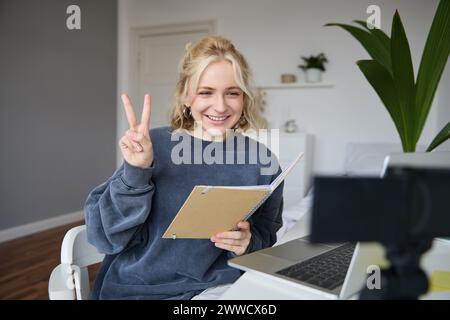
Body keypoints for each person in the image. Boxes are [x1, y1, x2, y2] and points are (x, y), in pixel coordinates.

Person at [85, 35, 284, 300]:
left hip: (218, 289)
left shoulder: (262, 160)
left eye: (232, 93)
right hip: (140, 291)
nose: (221, 106)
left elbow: (266, 234)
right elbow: (105, 238)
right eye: (206, 92)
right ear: (185, 96)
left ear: (245, 98)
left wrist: (248, 243)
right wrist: (137, 171)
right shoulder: (151, 145)